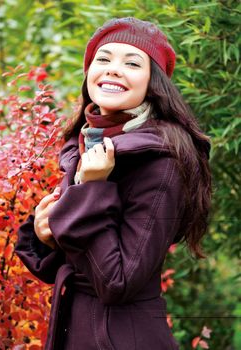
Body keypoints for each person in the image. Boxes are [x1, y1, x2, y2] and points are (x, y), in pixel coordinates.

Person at [15, 17, 212, 350]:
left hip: (121, 338)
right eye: (103, 59)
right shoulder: (89, 144)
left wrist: (92, 190)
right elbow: (72, 267)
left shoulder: (163, 161)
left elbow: (117, 282)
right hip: (75, 330)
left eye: (132, 62)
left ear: (153, 83)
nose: (113, 69)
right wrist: (44, 236)